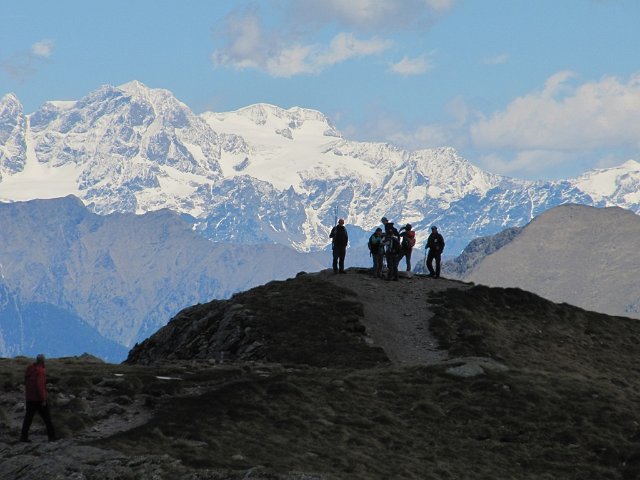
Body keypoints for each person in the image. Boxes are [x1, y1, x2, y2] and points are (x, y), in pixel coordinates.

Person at [20, 354, 56, 442]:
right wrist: (43, 399)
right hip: (38, 400)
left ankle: (23, 437)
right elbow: (40, 386)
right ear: (42, 361)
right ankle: (52, 437)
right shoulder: (40, 371)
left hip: (30, 398)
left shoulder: (30, 369)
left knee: (28, 418)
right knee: (47, 418)